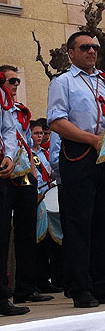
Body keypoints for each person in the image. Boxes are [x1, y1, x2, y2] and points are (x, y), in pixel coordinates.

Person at [47, 34, 105, 308]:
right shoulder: (63, 82)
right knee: (78, 223)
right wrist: (93, 140)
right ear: (71, 52)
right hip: (78, 155)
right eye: (85, 47)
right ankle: (81, 287)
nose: (92, 51)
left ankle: (104, 283)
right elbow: (56, 120)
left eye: (94, 47)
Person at [0, 66, 51, 305]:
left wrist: (33, 175)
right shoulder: (4, 107)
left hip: (23, 174)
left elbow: (27, 145)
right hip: (5, 172)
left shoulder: (20, 111)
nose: (15, 85)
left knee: (27, 233)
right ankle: (6, 290)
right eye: (11, 81)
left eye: (18, 81)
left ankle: (26, 288)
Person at [0, 73, 28, 316]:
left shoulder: (1, 95)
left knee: (1, 233)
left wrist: (9, 155)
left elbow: (8, 130)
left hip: (1, 169)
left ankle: (1, 296)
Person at [30, 119, 63, 294]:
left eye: (41, 133)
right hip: (35, 200)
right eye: (36, 133)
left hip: (47, 201)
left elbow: (49, 173)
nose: (40, 136)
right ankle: (37, 281)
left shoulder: (43, 153)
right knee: (37, 245)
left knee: (50, 245)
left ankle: (49, 279)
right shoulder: (28, 154)